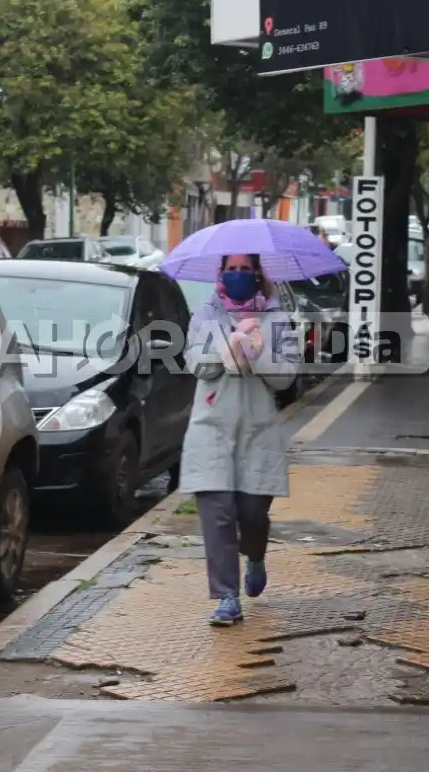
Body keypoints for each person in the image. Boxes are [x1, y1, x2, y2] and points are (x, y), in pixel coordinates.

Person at [179, 254, 299, 625]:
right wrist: (227, 348)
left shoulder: (277, 319)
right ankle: (227, 596)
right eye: (230, 269)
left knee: (251, 514)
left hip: (257, 431)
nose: (237, 276)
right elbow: (193, 362)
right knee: (217, 515)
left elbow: (287, 377)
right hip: (211, 428)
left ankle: (256, 555)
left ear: (259, 274)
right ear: (220, 274)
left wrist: (259, 353)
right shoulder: (206, 313)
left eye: (245, 270)